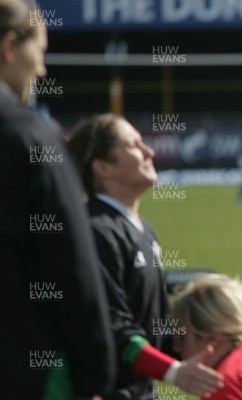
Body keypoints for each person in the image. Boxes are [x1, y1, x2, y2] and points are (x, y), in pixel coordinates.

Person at [0, 1, 116, 399]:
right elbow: (73, 266)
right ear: (9, 47)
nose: (42, 68)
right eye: (41, 51)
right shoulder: (30, 136)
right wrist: (94, 377)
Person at [67, 113, 222, 399]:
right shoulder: (95, 231)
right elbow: (113, 325)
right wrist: (172, 372)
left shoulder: (142, 229)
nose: (149, 151)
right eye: (133, 145)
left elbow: (156, 325)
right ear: (103, 167)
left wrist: (219, 342)